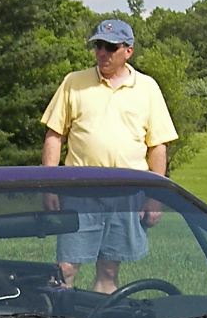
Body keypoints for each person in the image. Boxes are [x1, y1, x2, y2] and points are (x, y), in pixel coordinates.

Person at [39, 17, 178, 292]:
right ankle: (61, 317)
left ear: (128, 51)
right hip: (79, 191)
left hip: (127, 192)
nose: (102, 53)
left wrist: (155, 196)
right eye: (98, 46)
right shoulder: (74, 82)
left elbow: (157, 146)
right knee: (65, 268)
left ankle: (103, 317)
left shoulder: (148, 88)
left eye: (110, 47)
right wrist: (48, 185)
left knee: (109, 269)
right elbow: (54, 135)